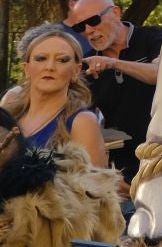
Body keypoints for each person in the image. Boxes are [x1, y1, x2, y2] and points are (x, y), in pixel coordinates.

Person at [63, 0, 162, 182]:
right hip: (122, 176)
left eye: (93, 20)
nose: (88, 30)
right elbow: (77, 122)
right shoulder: (88, 66)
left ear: (116, 13)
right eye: (80, 27)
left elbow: (161, 74)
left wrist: (113, 63)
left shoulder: (152, 37)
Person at [3, 23, 109, 169]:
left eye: (62, 60)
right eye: (41, 58)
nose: (50, 67)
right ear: (26, 69)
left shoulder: (82, 121)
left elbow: (97, 188)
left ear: (76, 71)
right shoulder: (8, 113)